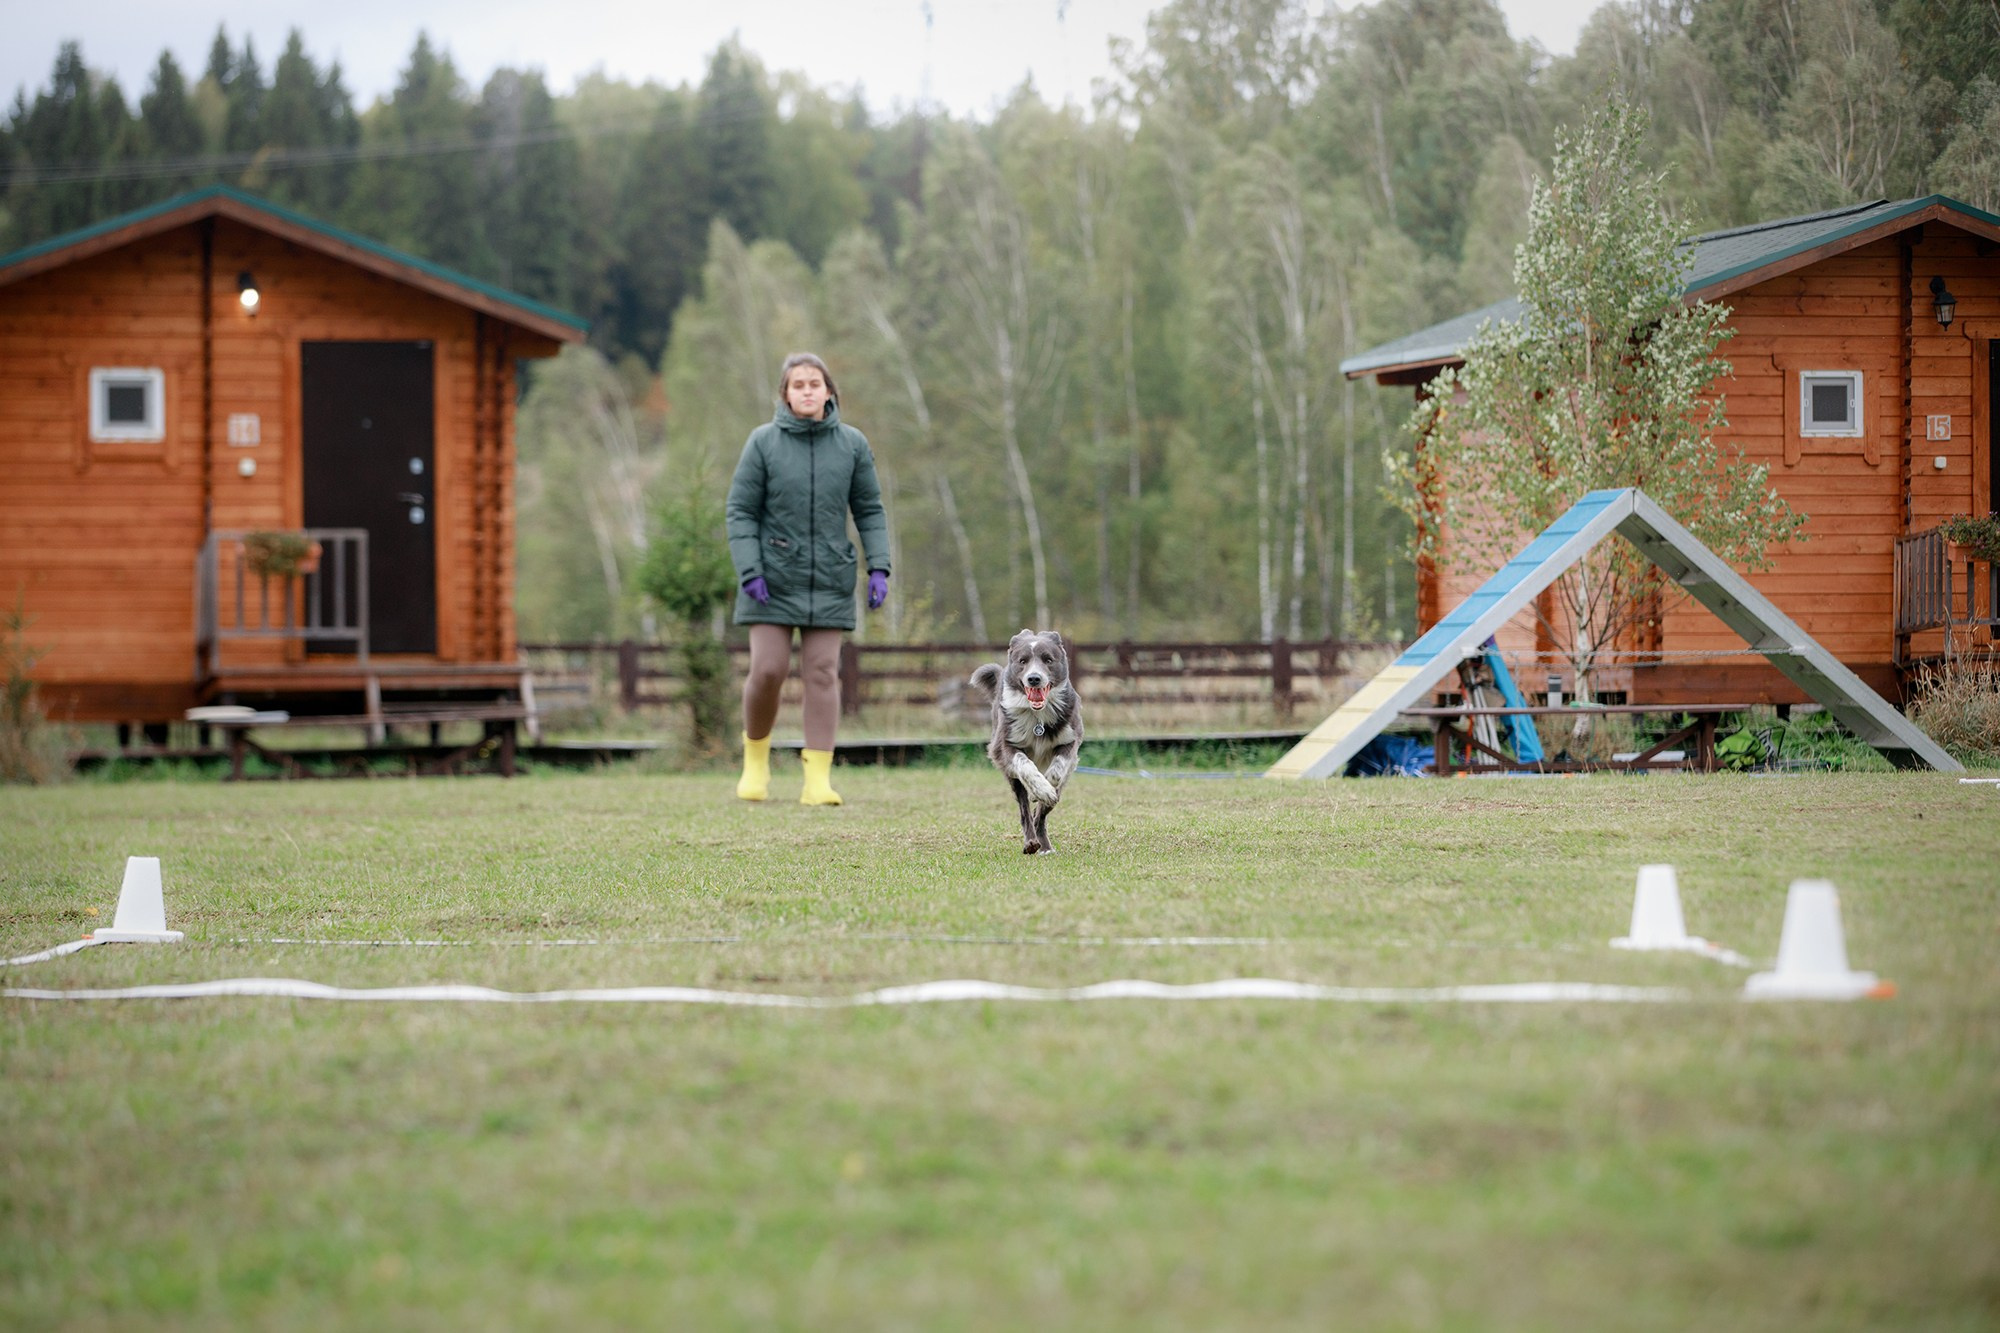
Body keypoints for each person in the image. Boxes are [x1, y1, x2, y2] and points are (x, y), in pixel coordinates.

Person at [725, 352, 890, 805]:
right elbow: (740, 510)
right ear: (785, 394)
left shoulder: (852, 444)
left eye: (814, 383)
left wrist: (879, 566)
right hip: (771, 579)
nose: (807, 391)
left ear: (829, 390)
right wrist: (750, 570)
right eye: (797, 385)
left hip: (829, 578)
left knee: (821, 672)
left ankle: (817, 780)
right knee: (768, 669)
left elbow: (869, 509)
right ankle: (755, 761)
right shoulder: (763, 442)